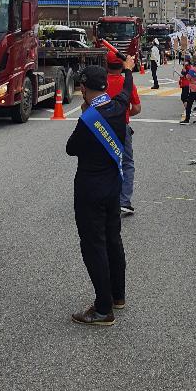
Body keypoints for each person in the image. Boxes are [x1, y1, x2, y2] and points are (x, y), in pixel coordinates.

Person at [66, 55, 135, 326]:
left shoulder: (88, 119)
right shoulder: (118, 106)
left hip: (90, 190)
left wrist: (85, 114)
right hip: (112, 187)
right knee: (113, 240)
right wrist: (128, 70)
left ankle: (103, 309)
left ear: (83, 88)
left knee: (94, 245)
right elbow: (127, 90)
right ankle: (118, 295)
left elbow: (71, 148)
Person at [106, 52, 141, 216]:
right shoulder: (126, 82)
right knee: (127, 163)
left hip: (102, 126)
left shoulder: (101, 82)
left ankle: (104, 199)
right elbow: (137, 108)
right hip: (122, 125)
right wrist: (124, 113)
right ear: (122, 65)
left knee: (104, 162)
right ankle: (124, 201)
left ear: (106, 65)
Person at [180, 54, 196, 124]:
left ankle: (187, 119)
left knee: (189, 104)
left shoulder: (192, 69)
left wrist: (184, 72)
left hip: (193, 89)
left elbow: (188, 77)